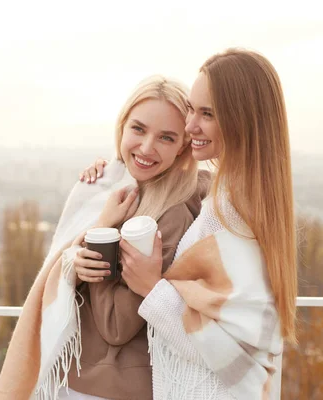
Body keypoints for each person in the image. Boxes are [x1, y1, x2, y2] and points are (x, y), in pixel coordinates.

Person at [80, 48, 297, 399]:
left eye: (206, 114)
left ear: (241, 119)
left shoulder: (237, 217)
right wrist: (111, 172)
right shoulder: (226, 199)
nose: (190, 125)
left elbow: (233, 358)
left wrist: (153, 288)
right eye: (192, 110)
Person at [0, 75, 208, 400]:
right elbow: (60, 260)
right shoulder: (112, 188)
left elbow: (117, 327)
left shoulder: (171, 214)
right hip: (75, 377)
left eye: (166, 137)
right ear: (122, 127)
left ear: (182, 147)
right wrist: (76, 257)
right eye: (138, 129)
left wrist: (100, 238)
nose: (147, 147)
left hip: (115, 388)